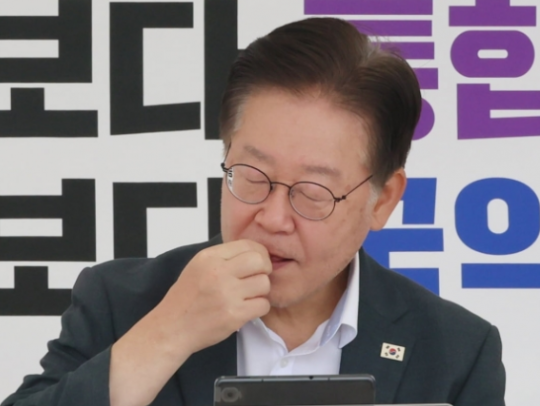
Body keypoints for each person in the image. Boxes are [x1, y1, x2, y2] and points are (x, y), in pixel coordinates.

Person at [2, 17, 505, 406]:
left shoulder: (456, 350)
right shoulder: (121, 303)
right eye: (252, 176)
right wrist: (168, 334)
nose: (272, 218)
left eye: (313, 191)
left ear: (384, 199)